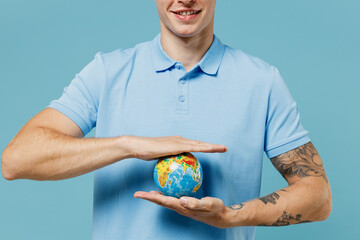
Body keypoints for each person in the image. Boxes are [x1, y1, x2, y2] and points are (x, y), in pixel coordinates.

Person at [1, 0, 332, 239]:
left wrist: (233, 216)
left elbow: (318, 196)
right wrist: (131, 145)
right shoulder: (107, 72)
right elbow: (15, 161)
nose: (185, 0)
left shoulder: (262, 81)